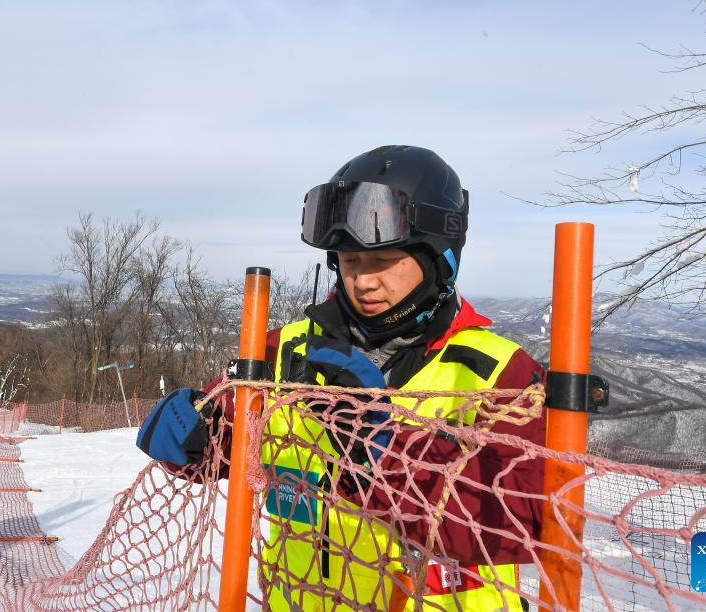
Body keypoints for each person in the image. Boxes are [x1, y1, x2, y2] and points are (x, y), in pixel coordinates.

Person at [137, 146, 546, 611]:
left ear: (439, 262)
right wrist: (191, 437)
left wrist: (380, 451)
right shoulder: (285, 351)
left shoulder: (497, 373)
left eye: (383, 261)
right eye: (350, 262)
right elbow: (223, 443)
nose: (364, 282)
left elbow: (516, 523)